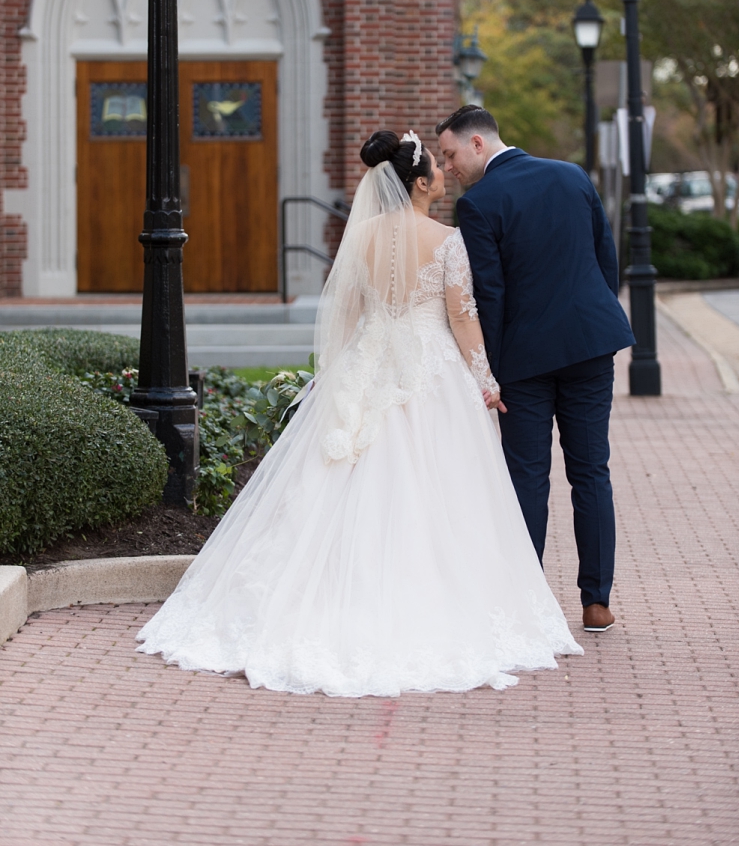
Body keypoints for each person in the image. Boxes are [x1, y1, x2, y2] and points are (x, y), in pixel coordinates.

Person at [137, 130, 582, 696]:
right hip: (429, 371)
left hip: (367, 364)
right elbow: (464, 319)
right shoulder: (447, 239)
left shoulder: (362, 237)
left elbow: (345, 313)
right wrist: (487, 383)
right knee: (439, 488)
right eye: (437, 171)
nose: (445, 175)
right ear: (420, 183)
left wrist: (341, 373)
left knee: (340, 477)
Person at [437, 106, 635, 634]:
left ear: (478, 144)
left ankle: (528, 602)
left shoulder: (478, 204)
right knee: (591, 469)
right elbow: (604, 258)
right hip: (591, 345)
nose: (448, 167)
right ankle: (597, 602)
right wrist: (596, 315)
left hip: (523, 360)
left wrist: (490, 371)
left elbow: (491, 293)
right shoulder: (572, 176)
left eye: (451, 154)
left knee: (526, 476)